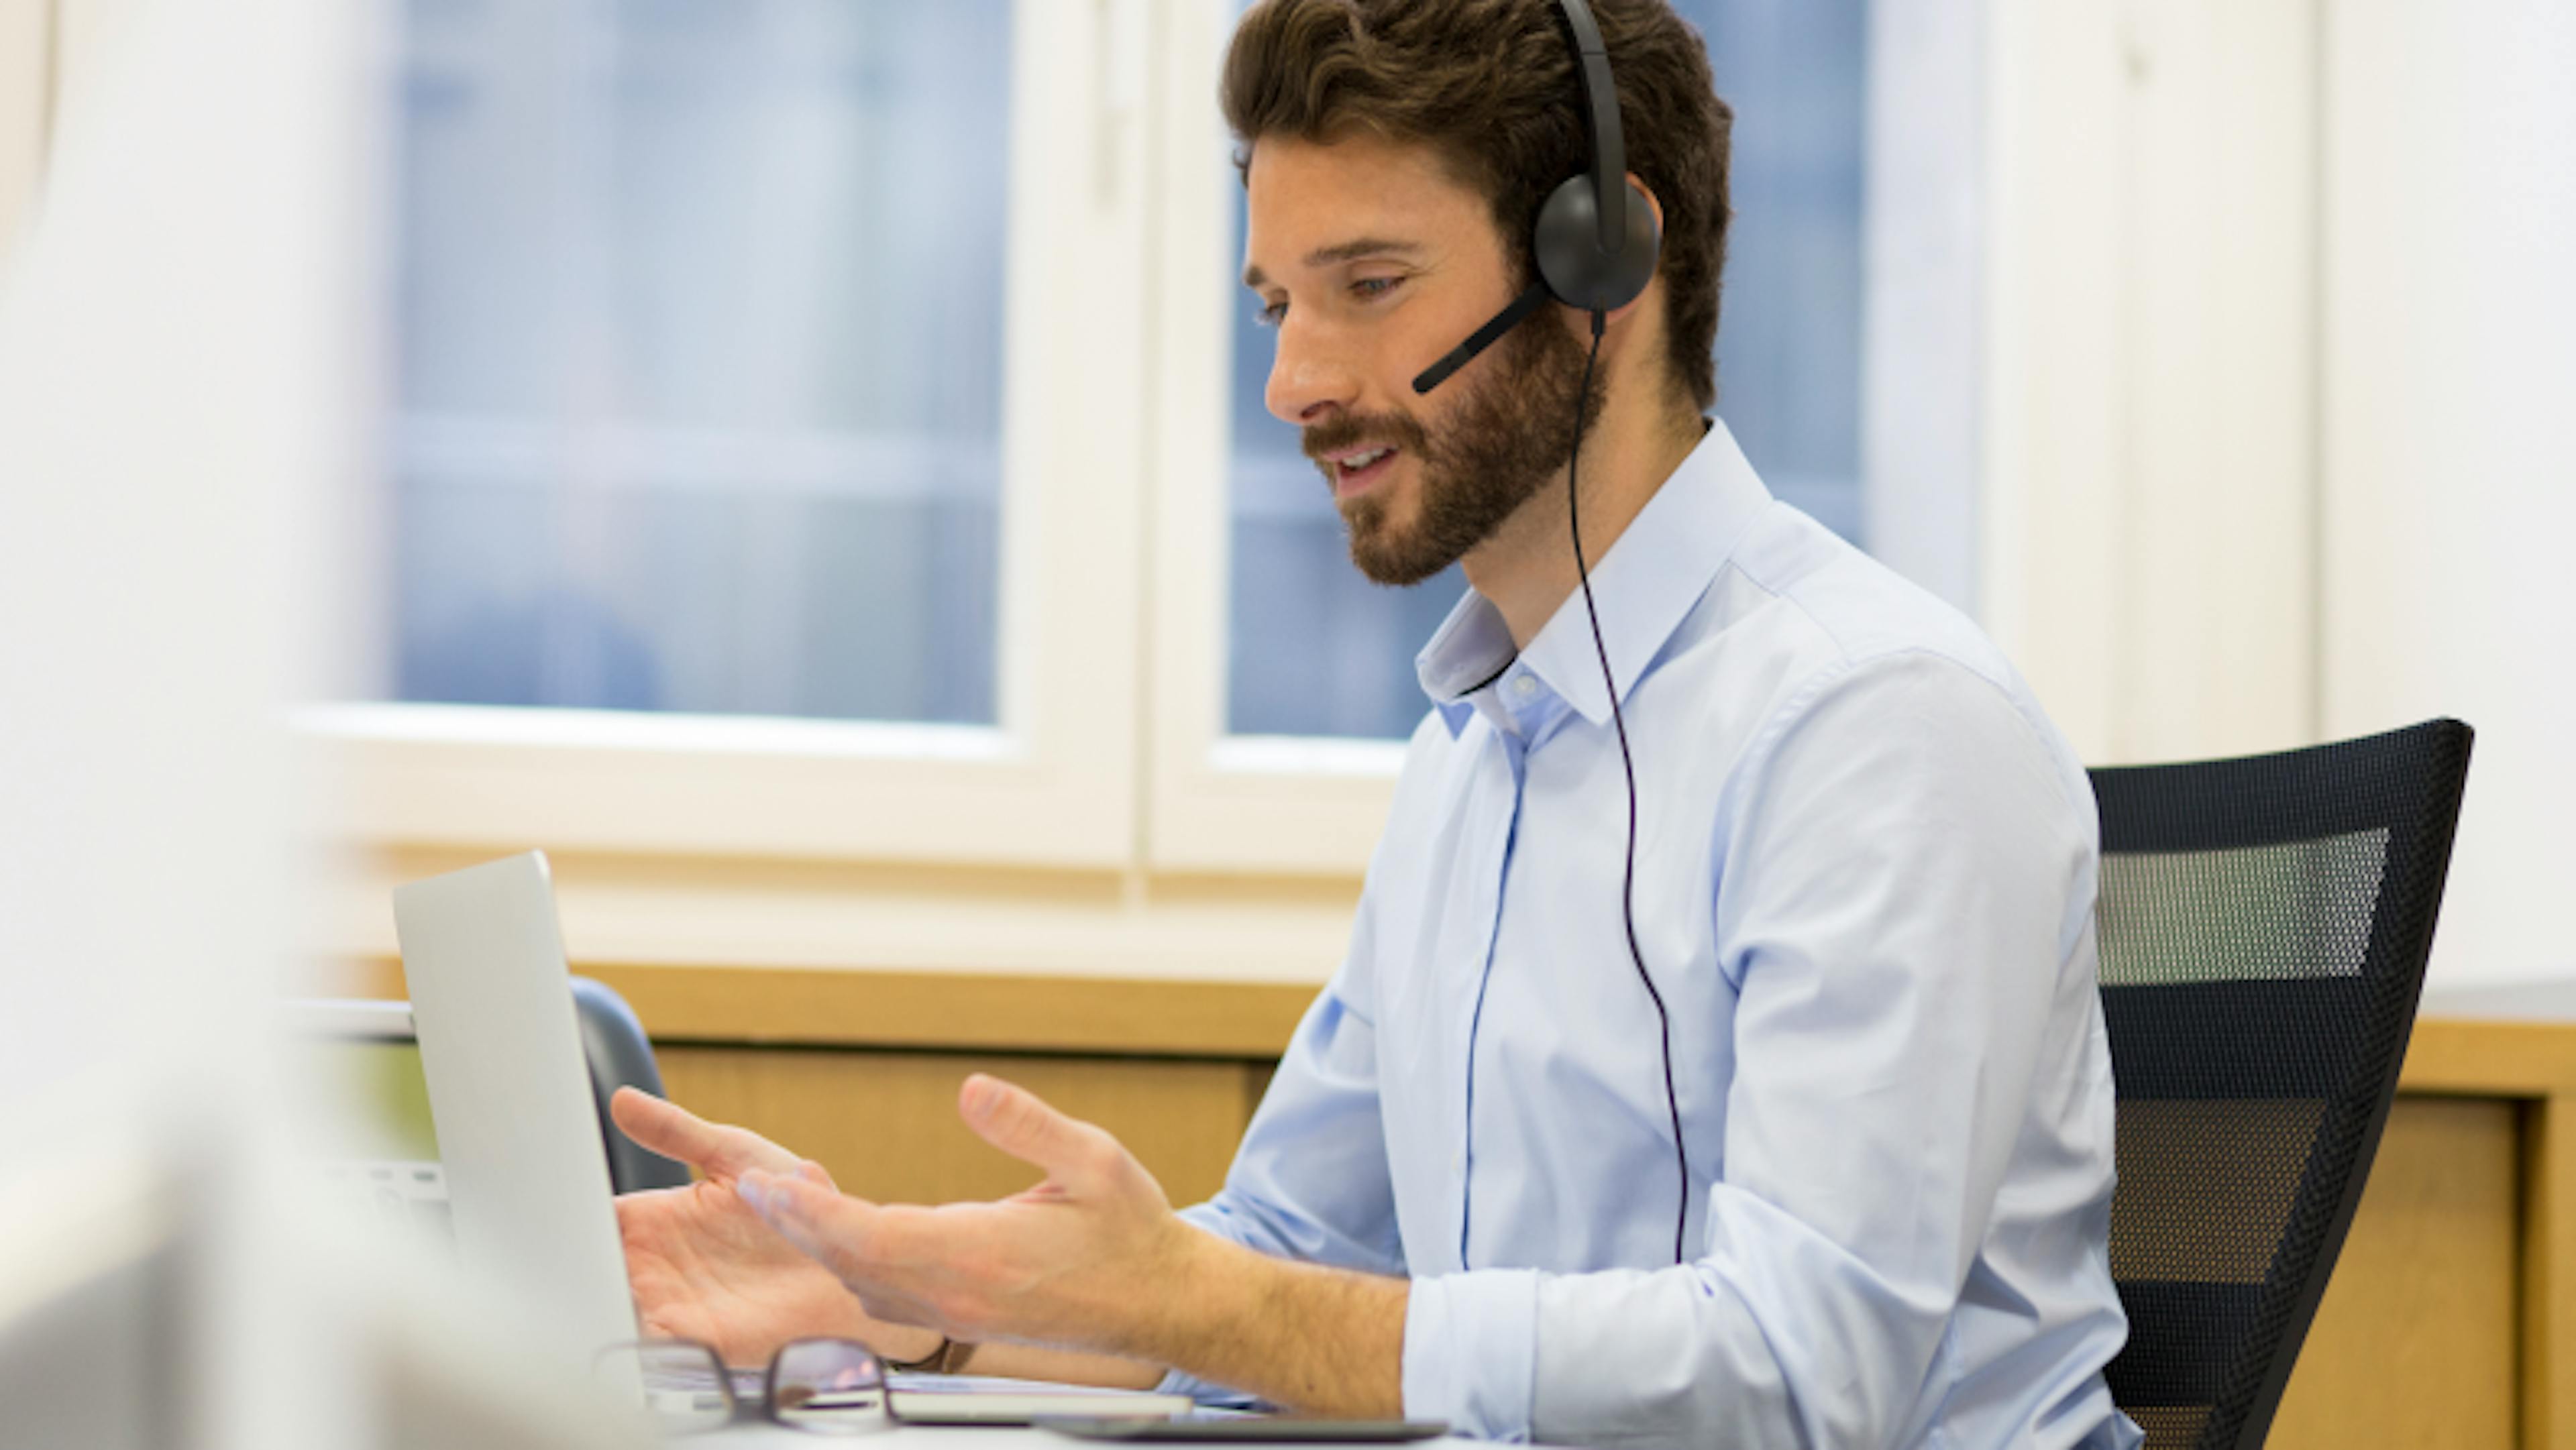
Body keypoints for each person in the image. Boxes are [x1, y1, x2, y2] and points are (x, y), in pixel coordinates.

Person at [611, 1, 2139, 1444]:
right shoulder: (1475, 756)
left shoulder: (1878, 730)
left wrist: (1218, 1298)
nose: (1291, 381)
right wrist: (890, 1304)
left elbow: (1802, 1379)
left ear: (1603, 262)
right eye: (1280, 304)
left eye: (1371, 284)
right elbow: (1275, 1264)